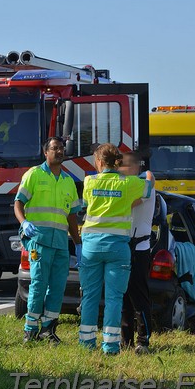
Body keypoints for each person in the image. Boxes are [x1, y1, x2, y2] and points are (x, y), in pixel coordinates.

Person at [79, 143, 154, 355]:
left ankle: (86, 343)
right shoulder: (128, 183)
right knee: (114, 297)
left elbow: (86, 202)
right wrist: (147, 173)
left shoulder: (89, 181)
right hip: (117, 246)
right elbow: (148, 189)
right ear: (117, 162)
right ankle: (111, 346)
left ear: (100, 162)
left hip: (91, 244)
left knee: (90, 296)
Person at [14, 137, 82, 344]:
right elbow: (18, 203)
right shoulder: (34, 174)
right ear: (46, 152)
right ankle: (30, 329)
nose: (59, 151)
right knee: (38, 285)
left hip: (61, 242)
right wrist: (24, 222)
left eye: (61, 148)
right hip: (39, 239)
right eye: (55, 148)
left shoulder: (68, 181)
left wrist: (78, 243)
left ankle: (49, 329)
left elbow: (71, 215)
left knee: (58, 286)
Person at [119, 152, 156, 355]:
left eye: (122, 166)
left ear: (133, 167)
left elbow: (144, 190)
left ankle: (143, 340)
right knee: (123, 296)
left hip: (139, 248)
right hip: (124, 245)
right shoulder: (125, 185)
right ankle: (126, 340)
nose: (118, 170)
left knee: (139, 297)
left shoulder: (145, 179)